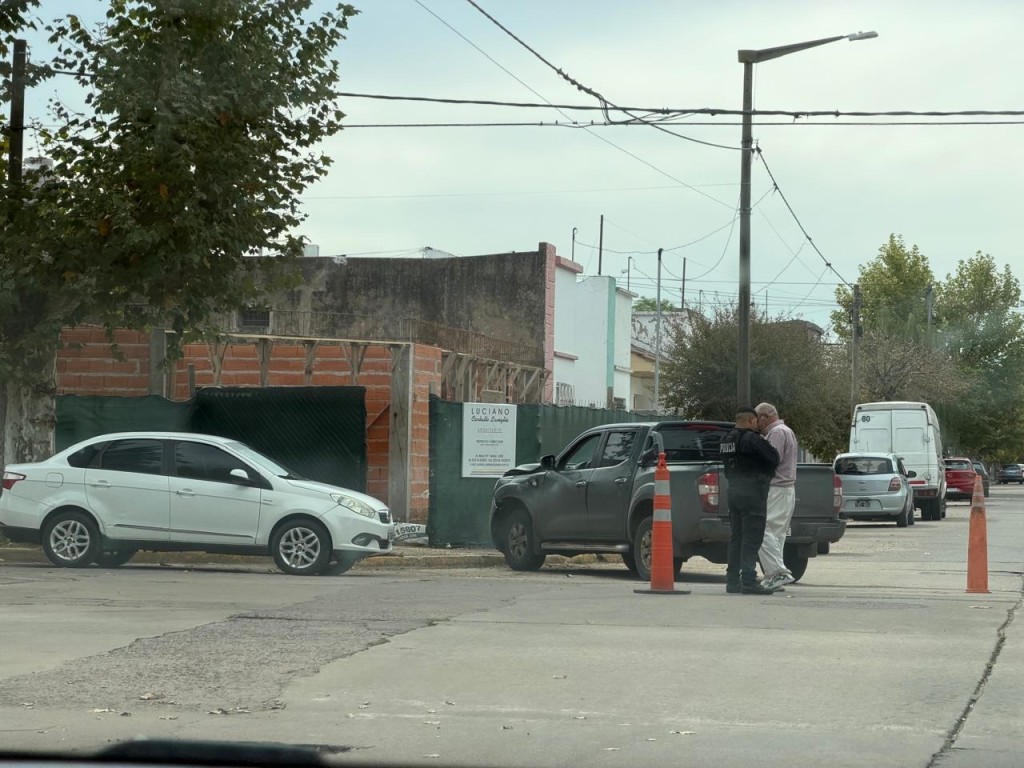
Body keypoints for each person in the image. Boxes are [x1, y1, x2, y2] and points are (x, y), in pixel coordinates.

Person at [721, 406, 780, 595]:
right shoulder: (752, 439)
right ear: (752, 421)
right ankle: (748, 581)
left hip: (734, 492)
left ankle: (732, 581)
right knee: (752, 538)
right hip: (753, 493)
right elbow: (773, 458)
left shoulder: (725, 439)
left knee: (736, 537)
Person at [755, 402, 799, 591]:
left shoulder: (777, 433)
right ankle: (774, 577)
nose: (756, 424)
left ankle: (778, 572)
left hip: (777, 489)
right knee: (775, 535)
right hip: (784, 489)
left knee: (761, 529)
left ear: (764, 417)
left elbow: (771, 460)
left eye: (757, 419)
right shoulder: (785, 430)